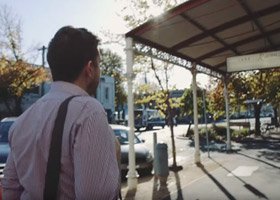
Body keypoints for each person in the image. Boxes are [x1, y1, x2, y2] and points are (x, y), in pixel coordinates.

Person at [1, 26, 120, 199]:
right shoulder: (89, 111)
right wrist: (114, 159)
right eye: (99, 63)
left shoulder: (21, 121)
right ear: (90, 68)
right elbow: (96, 195)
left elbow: (10, 189)